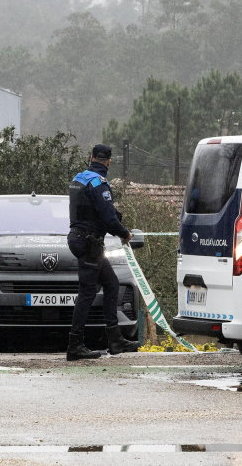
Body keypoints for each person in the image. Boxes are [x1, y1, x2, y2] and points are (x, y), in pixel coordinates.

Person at [66, 144, 140, 360]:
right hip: (89, 242)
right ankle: (75, 345)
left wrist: (114, 216)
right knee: (87, 292)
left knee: (111, 284)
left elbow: (94, 210)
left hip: (81, 238)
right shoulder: (99, 183)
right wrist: (125, 234)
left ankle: (115, 340)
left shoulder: (79, 178)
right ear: (108, 161)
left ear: (91, 158)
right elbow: (107, 218)